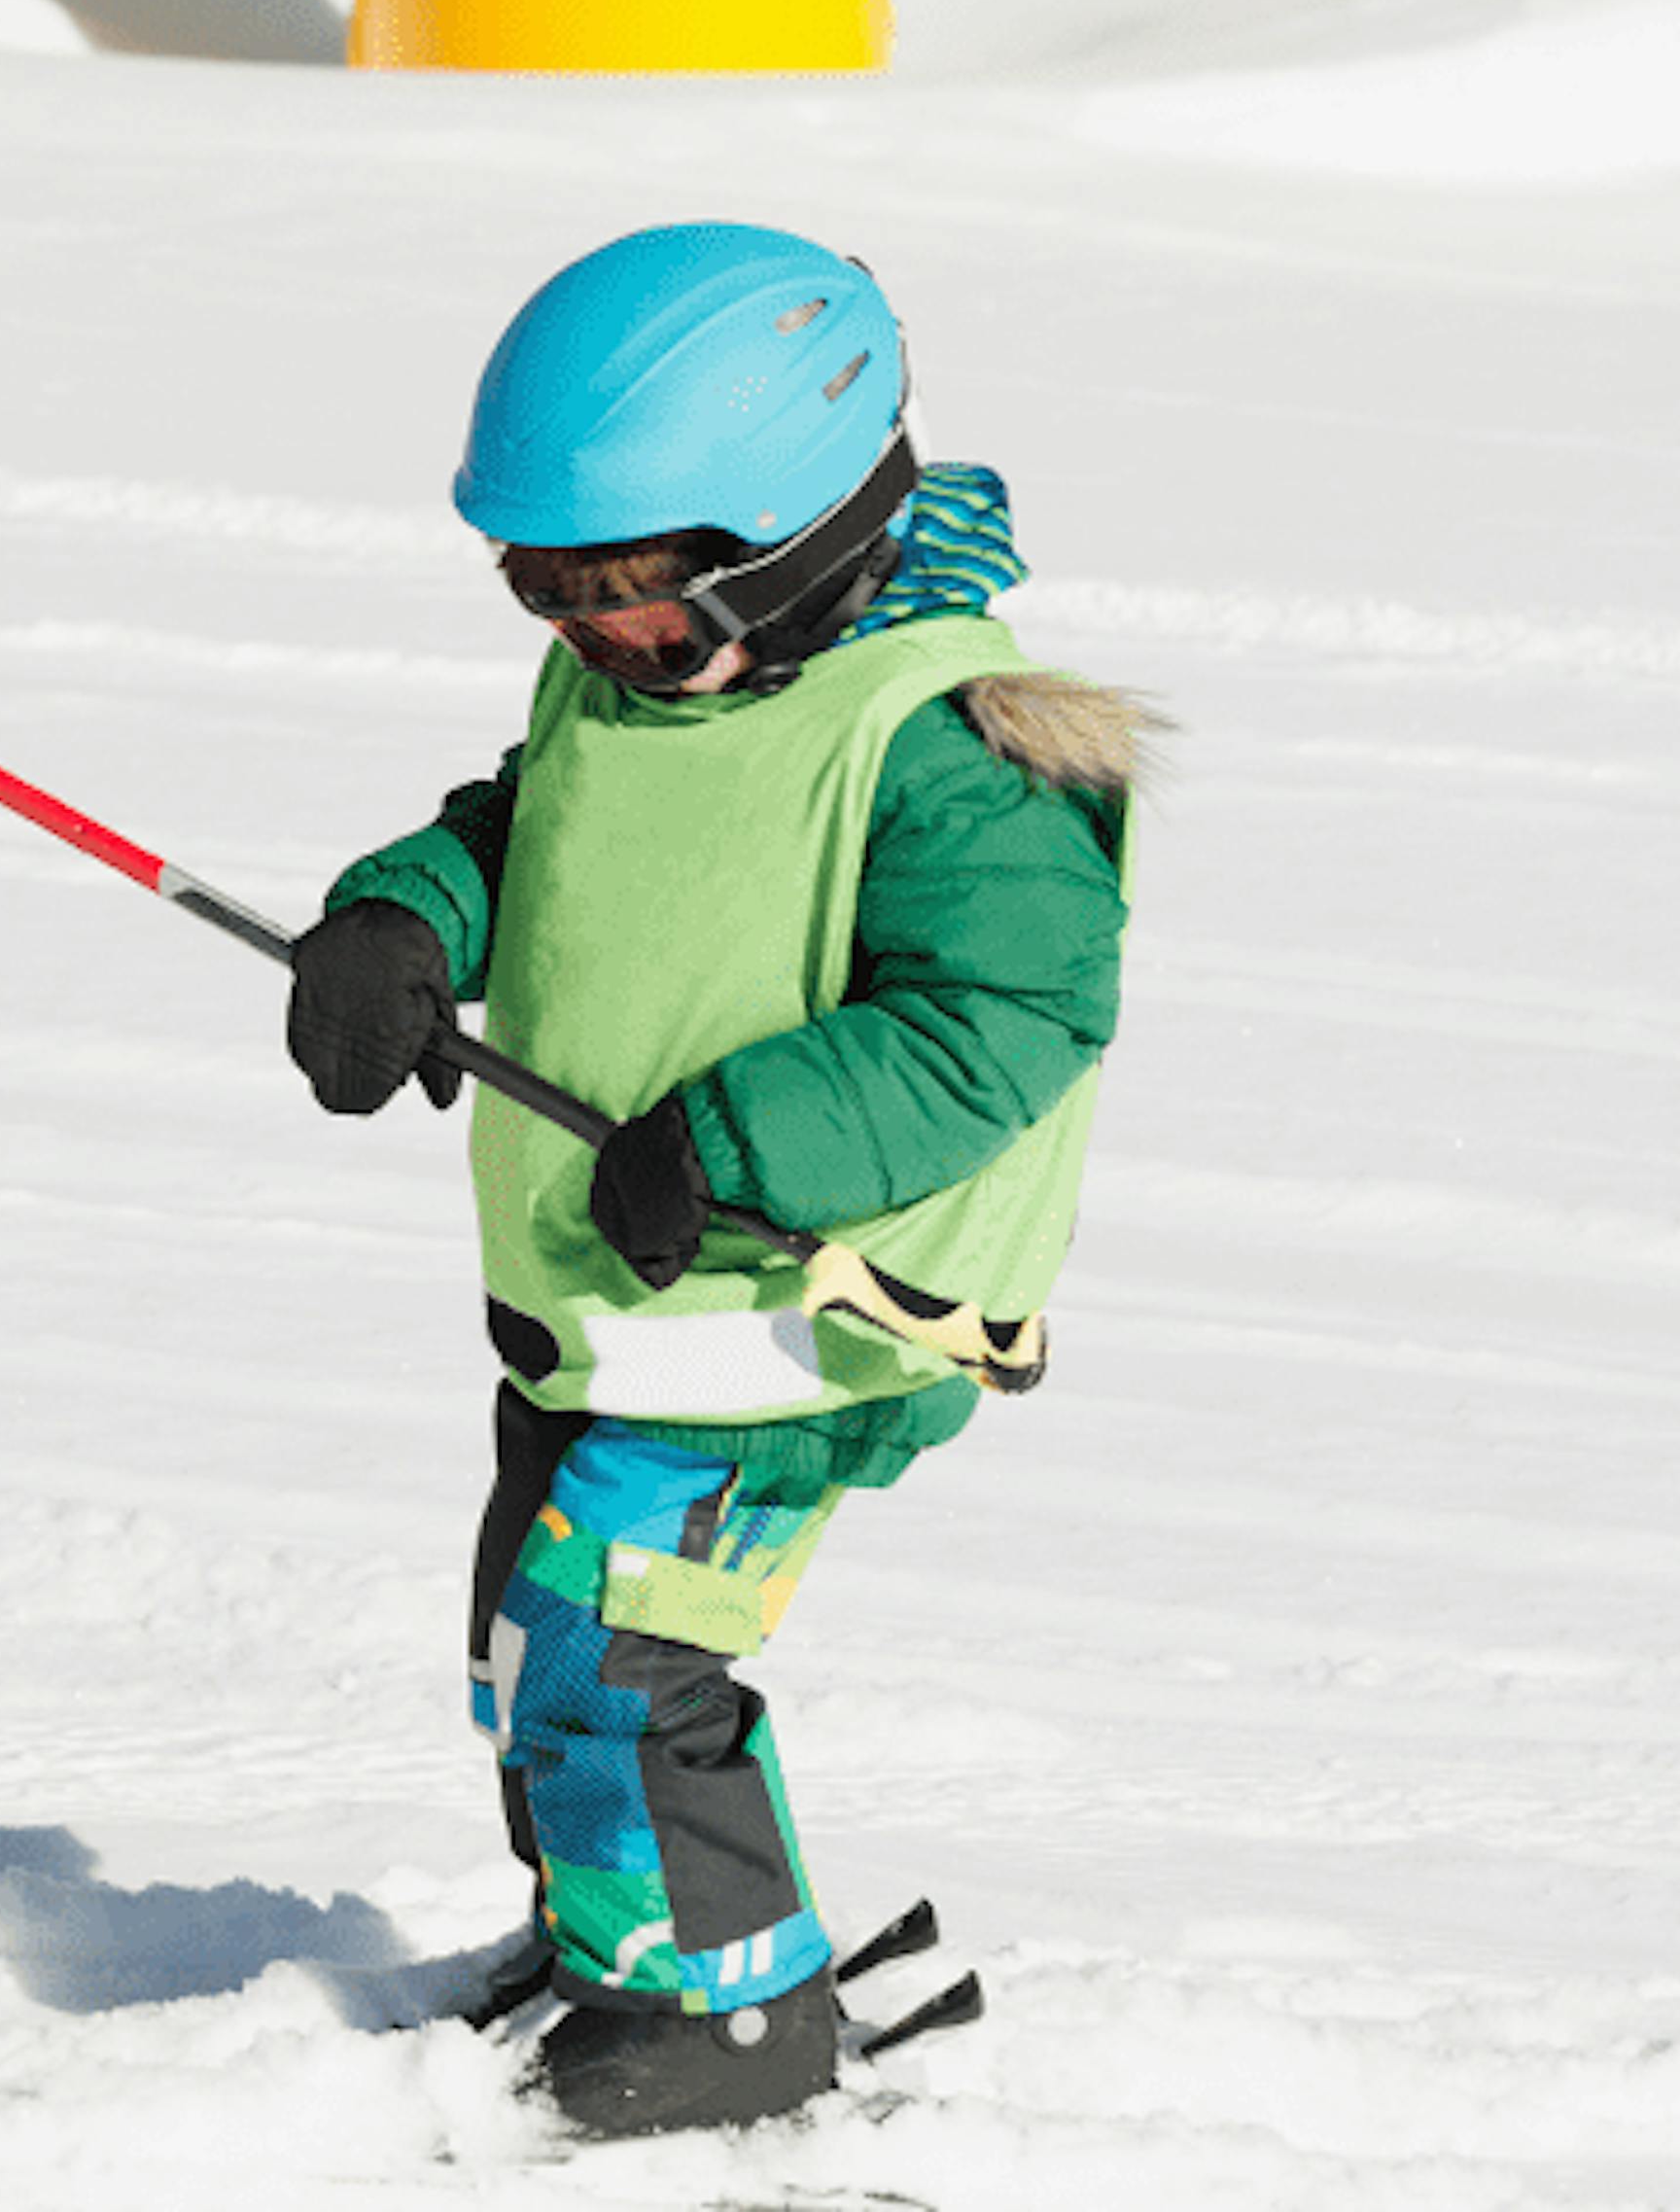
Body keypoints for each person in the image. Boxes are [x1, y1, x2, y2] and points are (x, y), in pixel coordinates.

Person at [282, 224, 1144, 2137]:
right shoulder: (656, 686)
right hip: (621, 1299)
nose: (597, 646)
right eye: (546, 599)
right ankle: (618, 1933)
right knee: (534, 1645)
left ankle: (733, 2020)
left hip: (787, 1322)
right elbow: (553, 829)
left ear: (801, 546)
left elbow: (1004, 1019)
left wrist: (742, 1136)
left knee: (619, 1663)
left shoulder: (951, 756)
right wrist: (410, 921)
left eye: (637, 606)